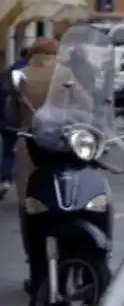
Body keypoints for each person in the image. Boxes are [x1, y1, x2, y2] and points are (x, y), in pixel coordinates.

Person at [14, 38, 92, 287]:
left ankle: (35, 261)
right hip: (61, 143)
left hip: (29, 144)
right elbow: (87, 104)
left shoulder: (21, 75)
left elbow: (9, 111)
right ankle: (73, 253)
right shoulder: (65, 74)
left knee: (31, 204)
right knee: (68, 193)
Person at [0, 47, 30, 198]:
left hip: (7, 120)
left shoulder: (9, 71)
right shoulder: (28, 74)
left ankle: (5, 180)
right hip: (23, 121)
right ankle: (26, 186)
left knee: (8, 152)